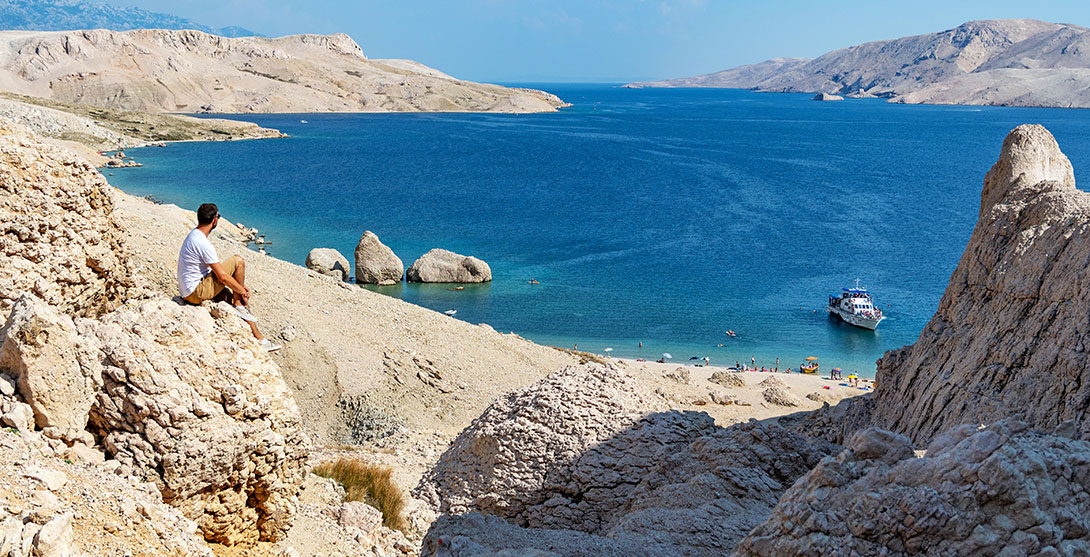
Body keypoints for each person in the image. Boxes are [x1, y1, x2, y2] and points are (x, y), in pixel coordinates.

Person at [178, 203, 280, 352]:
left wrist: (237, 289)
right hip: (196, 292)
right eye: (218, 217)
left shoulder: (194, 235)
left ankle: (260, 339)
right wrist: (242, 290)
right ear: (214, 220)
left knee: (231, 299)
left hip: (189, 291)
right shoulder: (202, 243)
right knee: (238, 261)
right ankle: (240, 304)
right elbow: (223, 277)